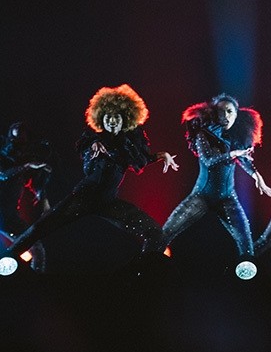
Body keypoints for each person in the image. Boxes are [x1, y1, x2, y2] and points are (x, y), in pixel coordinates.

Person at [0, 85, 178, 274]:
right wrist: (93, 146)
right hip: (82, 198)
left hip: (108, 202)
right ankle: (7, 261)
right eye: (107, 117)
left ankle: (140, 274)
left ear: (124, 119)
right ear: (100, 119)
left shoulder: (130, 144)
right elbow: (86, 153)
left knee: (155, 233)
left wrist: (162, 154)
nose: (111, 121)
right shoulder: (93, 140)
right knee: (40, 229)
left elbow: (141, 158)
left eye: (115, 117)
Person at [157, 94, 271, 277]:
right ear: (214, 113)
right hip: (201, 196)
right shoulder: (203, 134)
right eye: (222, 111)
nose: (226, 116)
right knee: (166, 232)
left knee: (246, 243)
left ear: (237, 115)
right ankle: (146, 265)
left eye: (230, 112)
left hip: (227, 198)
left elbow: (243, 159)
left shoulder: (235, 136)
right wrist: (234, 153)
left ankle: (246, 282)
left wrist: (256, 176)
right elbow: (210, 160)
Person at [0, 122, 52, 271]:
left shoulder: (25, 160)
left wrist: (45, 201)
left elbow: (36, 184)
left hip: (10, 216)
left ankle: (35, 283)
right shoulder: (4, 158)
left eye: (22, 140)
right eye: (16, 140)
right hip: (3, 215)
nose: (19, 145)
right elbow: (3, 175)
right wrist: (27, 165)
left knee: (36, 249)